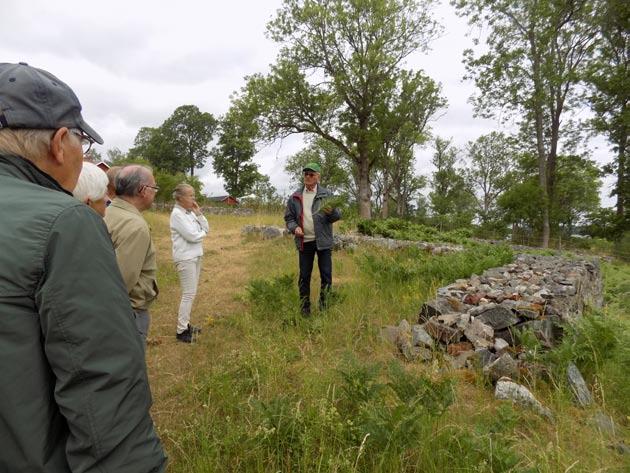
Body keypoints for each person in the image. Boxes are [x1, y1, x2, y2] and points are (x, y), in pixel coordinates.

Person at [0, 62, 166, 472]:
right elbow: (103, 390)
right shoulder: (65, 222)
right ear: (60, 142)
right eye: (83, 143)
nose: (84, 157)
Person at [104, 165, 159, 344]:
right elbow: (121, 281)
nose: (155, 192)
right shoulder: (136, 226)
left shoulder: (107, 212)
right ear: (142, 190)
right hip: (128, 315)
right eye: (154, 187)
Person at [284, 162, 341, 315]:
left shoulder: (327, 195)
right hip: (305, 242)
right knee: (304, 277)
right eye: (305, 174)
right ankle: (304, 309)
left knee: (326, 276)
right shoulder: (295, 196)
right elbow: (289, 218)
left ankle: (324, 308)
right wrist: (294, 227)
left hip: (323, 242)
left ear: (318, 177)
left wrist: (331, 212)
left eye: (311, 174)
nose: (308, 177)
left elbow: (337, 216)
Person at [170, 183, 209, 343]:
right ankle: (181, 330)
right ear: (180, 198)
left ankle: (185, 325)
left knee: (191, 293)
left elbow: (206, 228)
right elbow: (192, 236)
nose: (194, 198)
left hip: (195, 256)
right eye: (190, 195)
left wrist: (199, 214)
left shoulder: (190, 213)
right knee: (188, 294)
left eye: (194, 195)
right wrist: (202, 232)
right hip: (185, 258)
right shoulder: (177, 215)